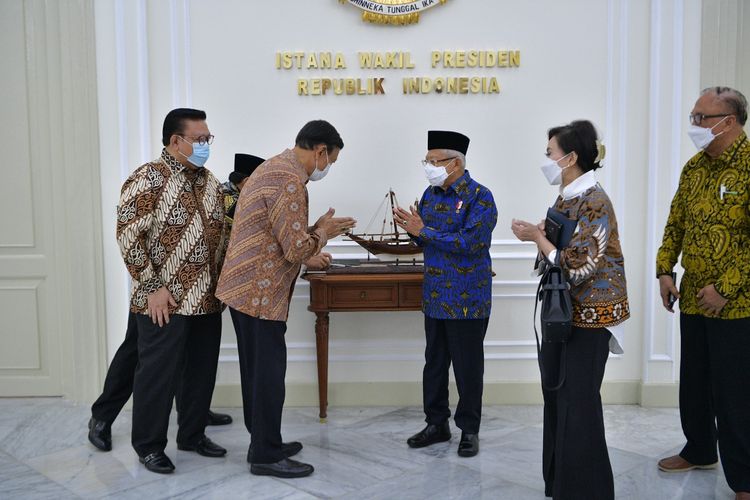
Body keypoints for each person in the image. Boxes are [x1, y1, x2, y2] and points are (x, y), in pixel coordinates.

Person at [216, 120, 356, 478]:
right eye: (330, 161)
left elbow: (278, 233)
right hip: (258, 294)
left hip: (244, 290)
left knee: (257, 372)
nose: (327, 169)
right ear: (320, 151)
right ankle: (265, 454)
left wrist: (317, 230)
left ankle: (266, 440)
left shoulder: (274, 167)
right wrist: (322, 234)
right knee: (268, 376)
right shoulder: (290, 180)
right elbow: (294, 249)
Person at [511, 120, 629, 499]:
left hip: (590, 317)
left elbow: (580, 264)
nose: (546, 159)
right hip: (563, 313)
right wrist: (540, 235)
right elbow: (556, 253)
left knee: (578, 403)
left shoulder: (595, 200)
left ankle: (588, 490)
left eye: (550, 153)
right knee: (558, 398)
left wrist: (538, 237)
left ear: (571, 157)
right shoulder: (567, 196)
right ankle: (561, 485)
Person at [114, 108, 228, 474]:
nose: (205, 144)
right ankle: (148, 445)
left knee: (200, 373)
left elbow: (222, 235)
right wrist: (152, 287)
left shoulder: (210, 182)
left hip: (206, 300)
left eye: (208, 138)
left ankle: (192, 435)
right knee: (157, 376)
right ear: (176, 141)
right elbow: (129, 236)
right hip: (164, 301)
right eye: (199, 139)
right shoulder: (149, 177)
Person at [655, 86, 750, 499]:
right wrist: (664, 269)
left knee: (734, 393)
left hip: (737, 305)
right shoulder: (695, 167)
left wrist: (726, 289)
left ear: (728, 122)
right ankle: (698, 449)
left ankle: (744, 479)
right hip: (691, 295)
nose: (693, 125)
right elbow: (675, 221)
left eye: (701, 118)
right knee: (693, 381)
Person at [395, 130, 497, 458]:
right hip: (435, 295)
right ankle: (436, 423)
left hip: (468, 298)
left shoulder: (481, 197)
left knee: (468, 367)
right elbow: (427, 241)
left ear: (454, 163)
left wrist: (423, 230)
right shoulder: (430, 195)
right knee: (435, 364)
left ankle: (469, 430)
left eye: (433, 161)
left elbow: (471, 243)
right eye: (426, 161)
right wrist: (414, 230)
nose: (428, 166)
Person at [88, 313, 233, 452]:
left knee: (191, 335)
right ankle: (103, 415)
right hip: (157, 291)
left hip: (195, 292)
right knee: (140, 344)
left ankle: (193, 415)